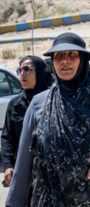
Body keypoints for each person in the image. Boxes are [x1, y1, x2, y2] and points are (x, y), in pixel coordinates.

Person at [5, 32, 90, 206]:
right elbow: (24, 161)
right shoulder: (39, 104)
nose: (64, 60)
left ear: (83, 60)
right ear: (52, 61)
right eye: (58, 55)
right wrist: (14, 202)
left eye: (72, 54)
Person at [1, 56, 52, 187]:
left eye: (27, 69)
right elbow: (7, 137)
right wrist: (8, 165)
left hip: (50, 173)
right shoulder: (15, 104)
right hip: (24, 171)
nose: (22, 74)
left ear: (40, 72)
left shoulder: (54, 102)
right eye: (20, 70)